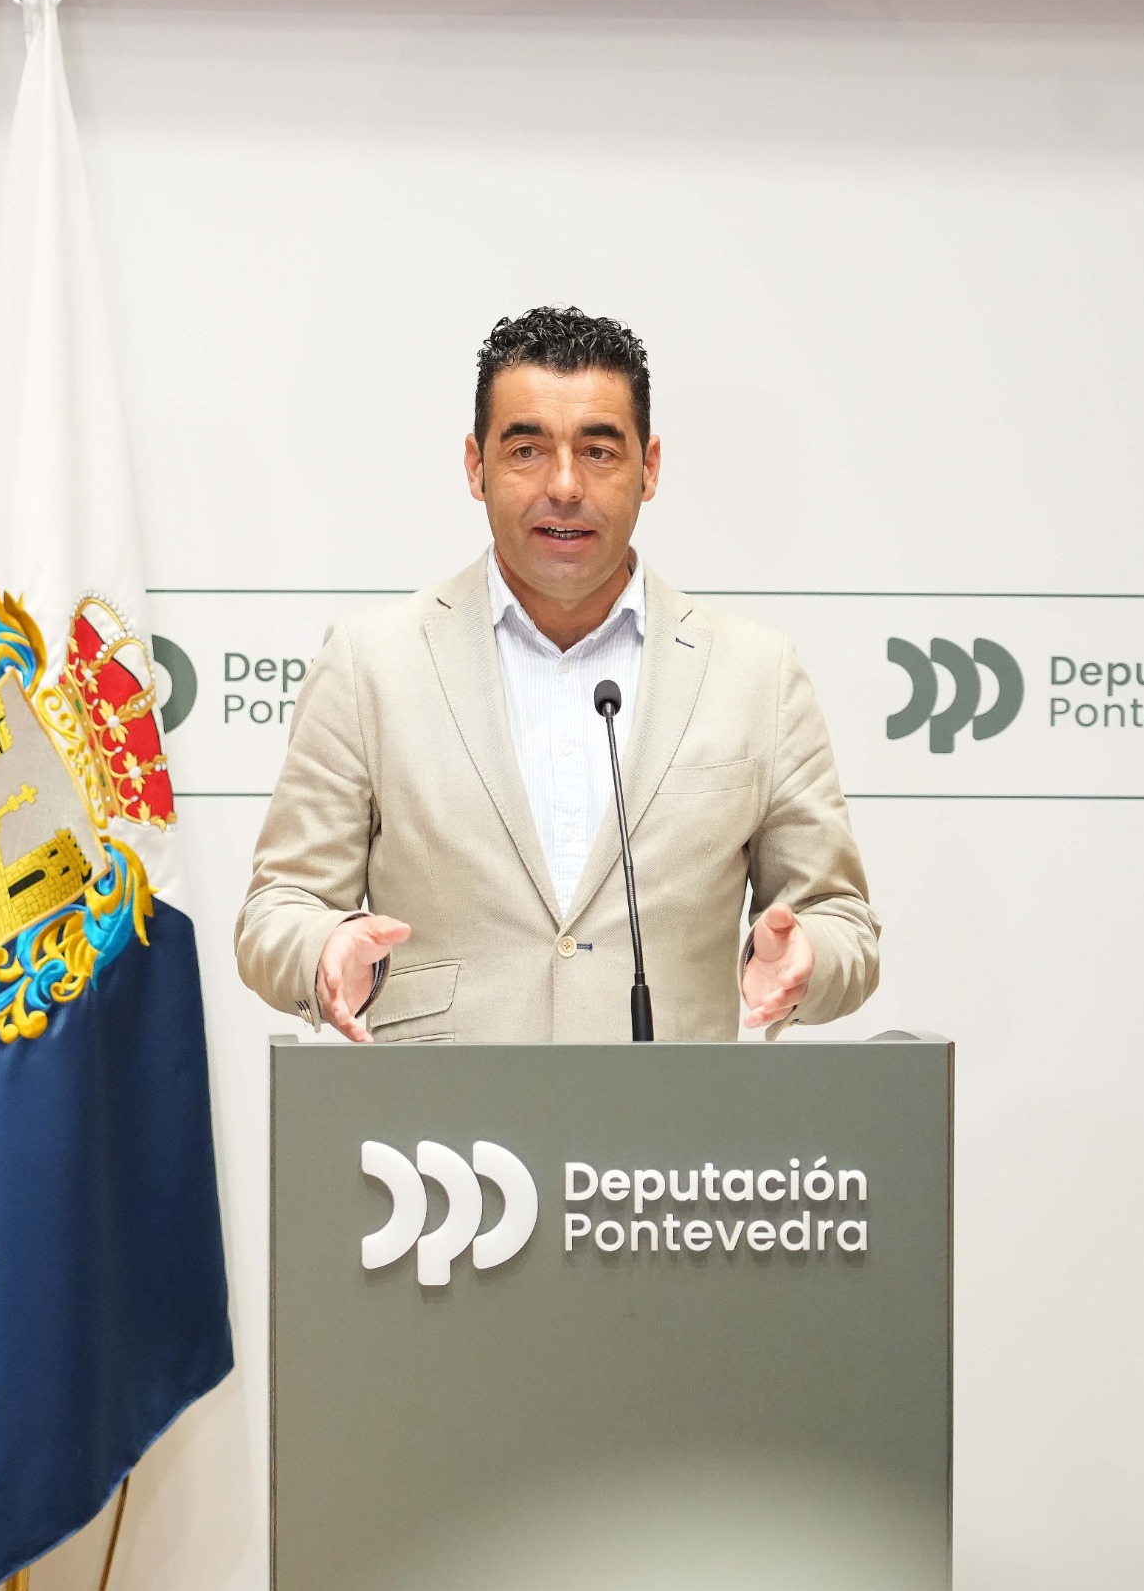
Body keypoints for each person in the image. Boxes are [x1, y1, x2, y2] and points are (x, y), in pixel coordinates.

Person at [234, 307, 878, 1044]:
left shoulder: (756, 675)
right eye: (527, 450)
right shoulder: (370, 662)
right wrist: (322, 948)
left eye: (598, 451)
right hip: (438, 1114)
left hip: (670, 1114)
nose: (565, 485)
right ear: (476, 467)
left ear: (650, 467)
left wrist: (807, 958)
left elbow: (841, 920)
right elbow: (279, 908)